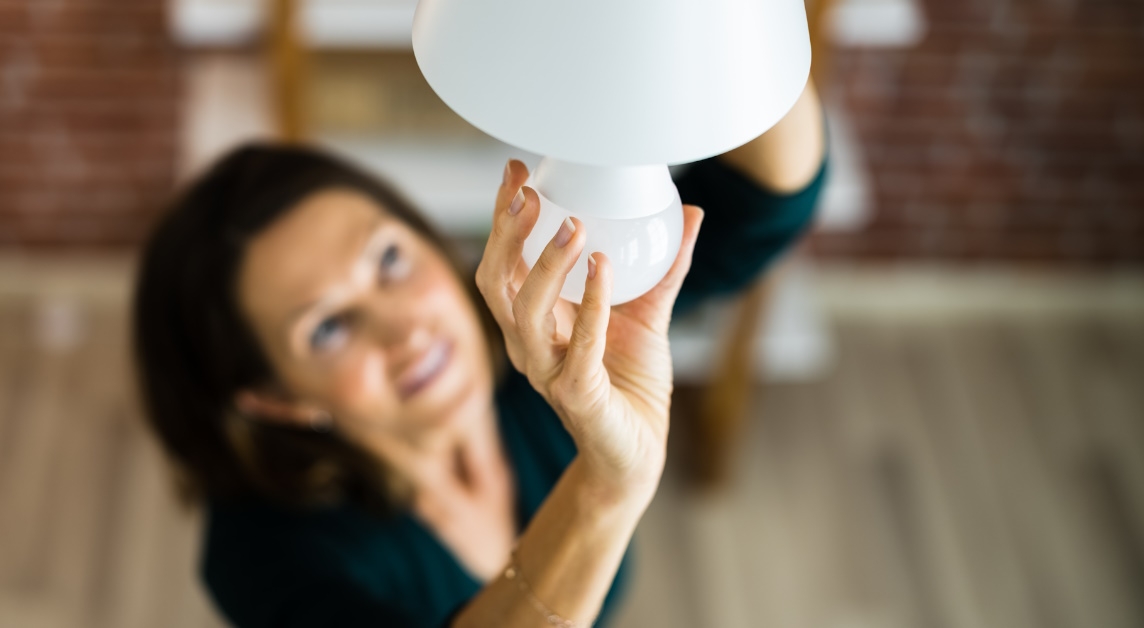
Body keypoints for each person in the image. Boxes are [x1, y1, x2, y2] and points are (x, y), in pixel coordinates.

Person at [132, 84, 826, 627]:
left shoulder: (535, 330)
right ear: (277, 398)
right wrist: (607, 491)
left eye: (391, 259)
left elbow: (762, 204)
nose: (406, 328)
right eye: (327, 328)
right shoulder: (265, 557)